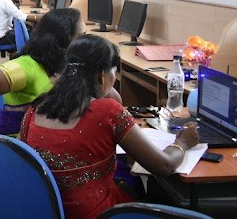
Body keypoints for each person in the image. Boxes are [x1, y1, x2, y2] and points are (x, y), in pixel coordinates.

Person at [19, 35, 199, 219]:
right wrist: (182, 142)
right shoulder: (106, 112)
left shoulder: (35, 109)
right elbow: (164, 166)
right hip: (97, 213)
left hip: (44, 209)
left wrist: (97, 83)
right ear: (102, 75)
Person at [0, 8, 84, 136]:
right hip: (19, 146)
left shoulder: (61, 65)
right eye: (81, 37)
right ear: (63, 41)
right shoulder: (28, 67)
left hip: (41, 139)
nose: (85, 42)